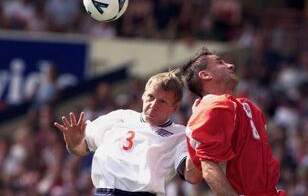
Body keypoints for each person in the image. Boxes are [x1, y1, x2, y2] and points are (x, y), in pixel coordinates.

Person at [54, 71, 200, 196]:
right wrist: (73, 143)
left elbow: (192, 176)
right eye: (150, 97)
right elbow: (80, 149)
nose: (153, 105)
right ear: (143, 95)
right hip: (102, 192)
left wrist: (197, 135)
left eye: (162, 102)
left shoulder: (180, 135)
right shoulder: (119, 117)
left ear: (175, 107)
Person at [181, 47, 284, 196]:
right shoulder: (215, 104)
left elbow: (192, 175)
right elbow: (207, 168)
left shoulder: (249, 107)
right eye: (220, 62)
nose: (231, 65)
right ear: (205, 74)